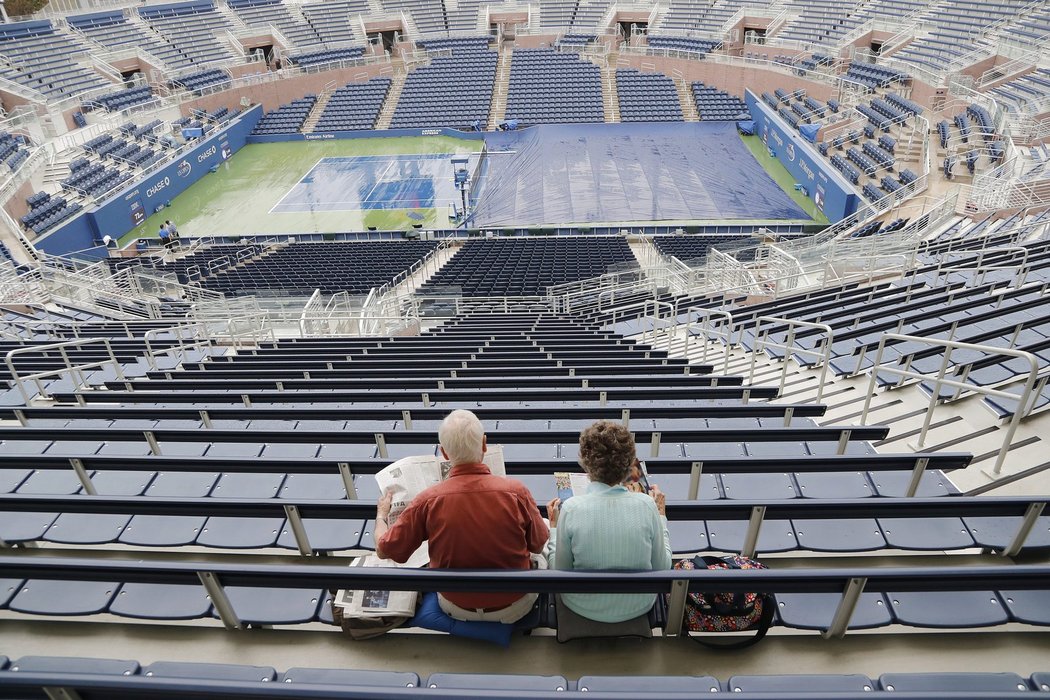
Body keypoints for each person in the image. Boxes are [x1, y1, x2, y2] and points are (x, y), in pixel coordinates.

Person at [376, 409, 549, 623]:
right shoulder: (516, 492)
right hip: (515, 605)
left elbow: (384, 550)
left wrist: (382, 515)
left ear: (444, 453)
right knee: (545, 529)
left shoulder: (427, 499)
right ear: (484, 445)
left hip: (455, 606)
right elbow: (538, 546)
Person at [546, 420, 671, 623]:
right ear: (629, 465)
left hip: (580, 604)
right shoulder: (647, 505)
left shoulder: (571, 508)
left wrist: (553, 529)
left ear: (586, 464)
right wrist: (661, 516)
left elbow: (560, 572)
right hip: (638, 604)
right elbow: (663, 567)